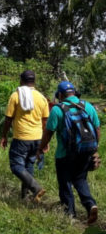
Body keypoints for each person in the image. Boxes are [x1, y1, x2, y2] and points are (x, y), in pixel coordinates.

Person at [37, 81, 100, 224]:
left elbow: (48, 132)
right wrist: (94, 148)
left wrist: (41, 148)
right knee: (80, 179)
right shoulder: (87, 106)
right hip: (86, 151)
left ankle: (69, 214)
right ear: (74, 93)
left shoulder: (57, 109)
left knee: (65, 182)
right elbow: (97, 128)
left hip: (65, 154)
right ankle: (91, 205)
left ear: (60, 95)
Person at [0, 70, 49, 201]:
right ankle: (25, 197)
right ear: (34, 81)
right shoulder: (42, 97)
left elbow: (8, 119)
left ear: (21, 80)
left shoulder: (16, 96)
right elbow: (45, 121)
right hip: (37, 138)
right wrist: (45, 141)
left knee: (15, 165)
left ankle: (35, 188)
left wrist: (4, 136)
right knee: (28, 166)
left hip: (21, 138)